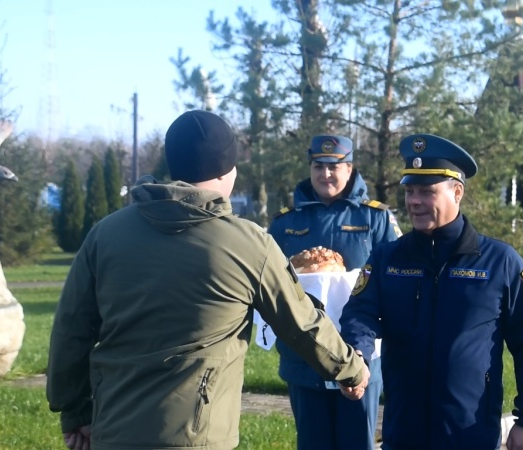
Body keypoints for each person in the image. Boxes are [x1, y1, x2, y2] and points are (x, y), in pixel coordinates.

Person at [46, 110, 370, 450]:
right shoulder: (246, 244)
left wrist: (74, 411)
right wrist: (351, 370)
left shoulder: (105, 234)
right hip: (199, 435)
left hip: (113, 429)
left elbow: (71, 330)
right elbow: (301, 323)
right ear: (228, 169)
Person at [339, 134, 523, 450]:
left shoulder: (499, 262)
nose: (414, 201)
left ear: (457, 192)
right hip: (404, 433)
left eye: (427, 192)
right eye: (410, 191)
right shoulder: (387, 259)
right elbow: (360, 312)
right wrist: (358, 351)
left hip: (469, 434)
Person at [267, 135, 401, 450]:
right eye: (318, 166)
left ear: (350, 168)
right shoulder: (286, 222)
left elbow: (396, 280)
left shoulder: (375, 218)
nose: (325, 174)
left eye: (334, 166)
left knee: (357, 443)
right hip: (304, 356)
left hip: (359, 355)